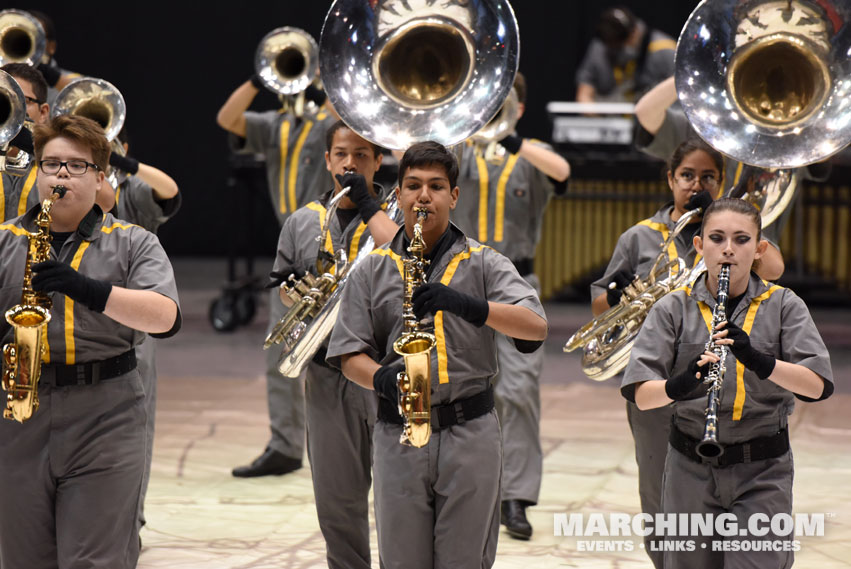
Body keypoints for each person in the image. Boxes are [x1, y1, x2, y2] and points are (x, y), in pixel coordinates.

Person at [327, 141, 548, 569]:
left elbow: (535, 327)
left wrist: (469, 305)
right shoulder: (372, 269)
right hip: (398, 434)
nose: (423, 196)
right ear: (399, 195)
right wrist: (381, 379)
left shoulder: (485, 262)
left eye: (435, 186)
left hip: (471, 433)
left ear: (454, 196)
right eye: (412, 186)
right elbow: (347, 353)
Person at [0, 114, 181, 569]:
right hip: (20, 412)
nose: (61, 174)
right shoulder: (5, 240)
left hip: (107, 413)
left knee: (94, 560)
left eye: (76, 166)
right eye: (51, 164)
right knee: (23, 559)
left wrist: (85, 288)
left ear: (101, 177)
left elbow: (165, 317)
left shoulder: (133, 242)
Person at [622, 197, 833, 569]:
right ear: (699, 247)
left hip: (763, 467)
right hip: (689, 467)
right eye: (717, 239)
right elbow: (641, 395)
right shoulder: (673, 307)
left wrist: (761, 361)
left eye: (741, 240)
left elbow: (816, 386)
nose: (728, 250)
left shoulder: (784, 305)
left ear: (759, 250)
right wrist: (682, 383)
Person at [590, 138, 723, 568]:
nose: (695, 185)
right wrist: (617, 296)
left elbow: (772, 269)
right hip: (655, 383)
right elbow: (600, 308)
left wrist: (718, 225)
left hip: (717, 384)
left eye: (707, 177)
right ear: (670, 179)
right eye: (687, 176)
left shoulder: (731, 234)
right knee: (658, 488)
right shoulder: (640, 237)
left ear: (720, 184)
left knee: (714, 488)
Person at [271, 119, 398, 569]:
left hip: (385, 373)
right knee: (337, 497)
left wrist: (367, 205)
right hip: (326, 373)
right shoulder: (303, 221)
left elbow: (402, 254)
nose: (350, 163)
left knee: (398, 497)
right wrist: (298, 292)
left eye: (361, 155)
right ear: (327, 160)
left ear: (379, 161)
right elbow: (284, 286)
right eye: (341, 154)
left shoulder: (397, 215)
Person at [452, 72, 569, 539]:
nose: (494, 111)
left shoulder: (530, 153)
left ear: (520, 108)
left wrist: (510, 136)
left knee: (518, 392)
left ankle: (516, 497)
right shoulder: (457, 148)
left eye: (503, 104)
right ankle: (463, 490)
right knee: (458, 388)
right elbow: (406, 158)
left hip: (516, 283)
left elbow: (562, 172)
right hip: (458, 283)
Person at [216, 53, 337, 478]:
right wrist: (261, 77)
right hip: (291, 244)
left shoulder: (330, 122)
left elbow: (350, 119)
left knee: (344, 349)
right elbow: (227, 117)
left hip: (334, 239)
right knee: (281, 346)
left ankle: (354, 445)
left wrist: (327, 85)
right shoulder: (273, 125)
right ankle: (285, 445)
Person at [632, 75, 831, 280]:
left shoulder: (790, 141)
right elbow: (645, 113)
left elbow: (826, 143)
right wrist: (687, 71)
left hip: (757, 269)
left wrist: (809, 92)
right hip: (688, 261)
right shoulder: (701, 128)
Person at [93, 125, 181, 537]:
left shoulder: (133, 194)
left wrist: (121, 164)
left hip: (136, 331)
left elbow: (170, 190)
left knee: (135, 425)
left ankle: (132, 518)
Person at [575, 6, 675, 103]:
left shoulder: (665, 50)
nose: (615, 49)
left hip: (650, 114)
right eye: (610, 44)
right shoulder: (601, 46)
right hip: (608, 116)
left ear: (634, 32)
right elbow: (584, 95)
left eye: (620, 44)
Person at [1, 63, 49, 222]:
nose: (17, 107)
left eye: (24, 100)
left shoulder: (57, 164)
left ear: (43, 113)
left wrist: (35, 146)